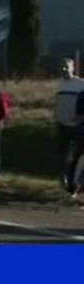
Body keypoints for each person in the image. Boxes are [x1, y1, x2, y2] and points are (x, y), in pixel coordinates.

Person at [55, 58, 84, 192]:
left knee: (76, 155)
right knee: (63, 155)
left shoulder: (80, 84)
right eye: (61, 67)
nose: (64, 70)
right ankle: (64, 179)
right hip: (62, 124)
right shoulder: (60, 84)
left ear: (73, 68)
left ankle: (75, 182)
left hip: (77, 126)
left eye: (66, 67)